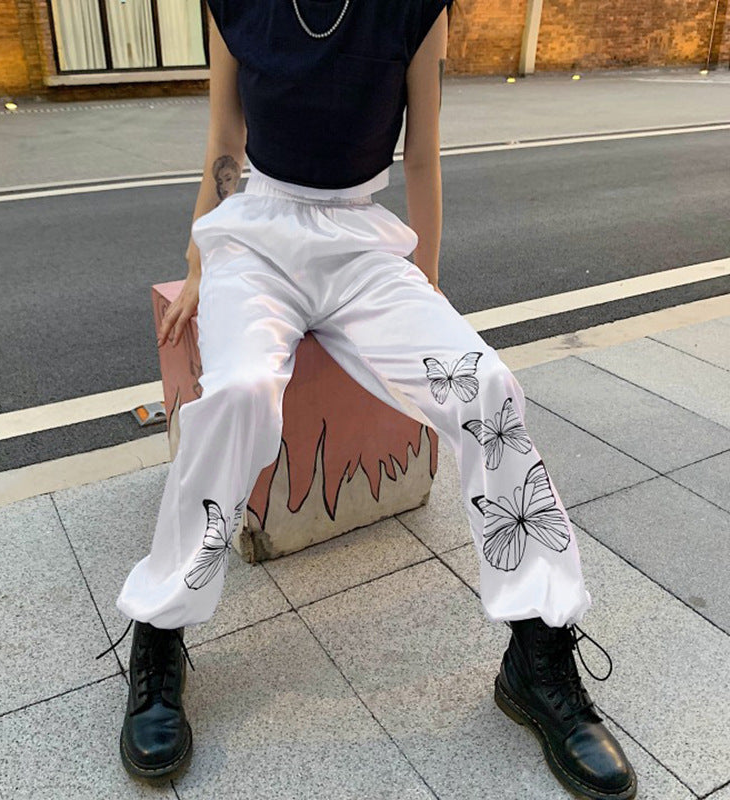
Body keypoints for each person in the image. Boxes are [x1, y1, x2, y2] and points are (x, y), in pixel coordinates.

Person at [96, 1, 637, 798]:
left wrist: (430, 283)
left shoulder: (413, 7)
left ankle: (537, 653)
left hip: (361, 246)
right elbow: (225, 141)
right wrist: (199, 259)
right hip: (255, 237)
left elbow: (422, 153)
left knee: (485, 387)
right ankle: (161, 625)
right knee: (239, 393)